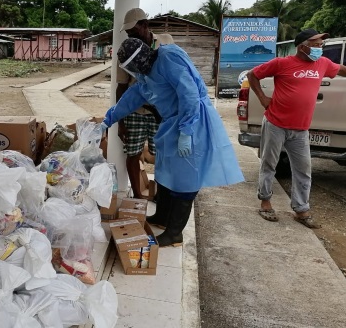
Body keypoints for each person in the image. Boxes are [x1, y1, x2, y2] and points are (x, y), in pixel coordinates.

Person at [103, 38, 244, 247]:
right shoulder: (146, 73)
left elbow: (190, 95)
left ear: (139, 60)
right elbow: (133, 96)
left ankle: (174, 233)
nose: (133, 72)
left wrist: (186, 131)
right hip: (171, 123)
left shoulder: (168, 59)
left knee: (185, 178)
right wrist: (108, 119)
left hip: (193, 122)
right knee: (165, 172)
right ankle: (162, 216)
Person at [247, 28, 346, 228]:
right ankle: (265, 203)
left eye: (321, 44)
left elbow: (341, 69)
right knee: (269, 164)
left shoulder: (322, 63)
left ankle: (301, 210)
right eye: (316, 44)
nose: (320, 48)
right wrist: (262, 98)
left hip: (301, 129)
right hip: (275, 123)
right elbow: (253, 75)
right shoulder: (281, 63)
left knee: (303, 169)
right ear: (302, 47)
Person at [116, 8, 170, 199]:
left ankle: (161, 194)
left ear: (145, 25)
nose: (131, 36)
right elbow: (121, 87)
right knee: (133, 153)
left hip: (161, 113)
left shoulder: (166, 41)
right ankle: (138, 197)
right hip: (135, 112)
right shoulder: (126, 51)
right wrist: (120, 122)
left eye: (134, 31)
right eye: (128, 33)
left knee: (163, 155)